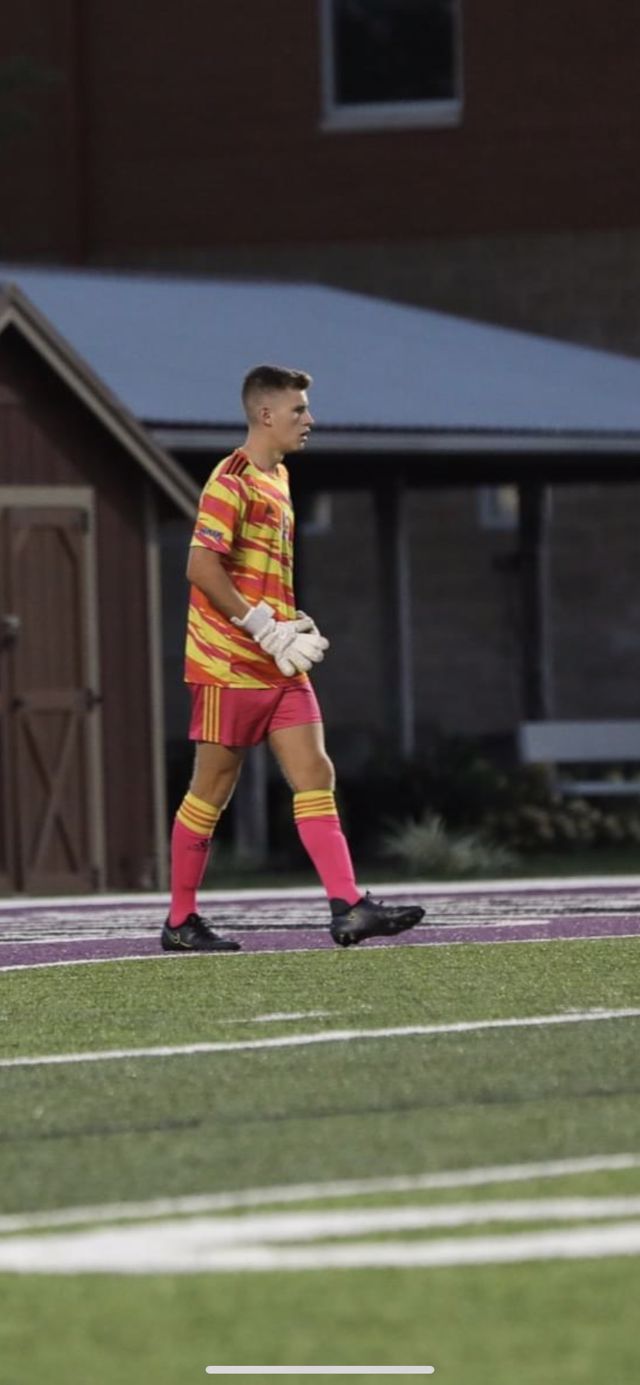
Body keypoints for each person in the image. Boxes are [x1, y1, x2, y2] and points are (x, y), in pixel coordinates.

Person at [161, 364, 425, 953]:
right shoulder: (230, 481)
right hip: (228, 665)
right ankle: (180, 921)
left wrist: (288, 623)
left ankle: (348, 906)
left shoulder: (279, 476)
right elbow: (200, 567)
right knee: (211, 790)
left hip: (278, 663)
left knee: (315, 772)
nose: (310, 419)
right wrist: (261, 626)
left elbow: (256, 574)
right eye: (299, 409)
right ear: (265, 415)